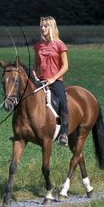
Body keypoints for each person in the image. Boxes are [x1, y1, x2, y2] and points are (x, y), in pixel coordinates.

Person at [33, 16, 69, 146]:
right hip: (40, 81)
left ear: (52, 27)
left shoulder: (60, 44)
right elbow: (35, 66)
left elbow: (65, 66)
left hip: (55, 81)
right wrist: (34, 77)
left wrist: (53, 78)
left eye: (45, 26)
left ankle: (64, 133)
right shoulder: (38, 46)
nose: (43, 28)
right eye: (41, 26)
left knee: (64, 104)